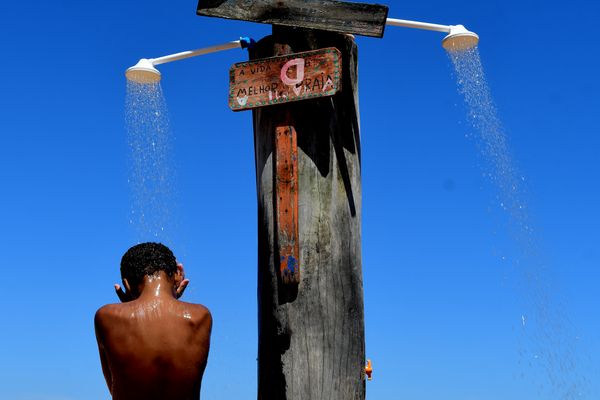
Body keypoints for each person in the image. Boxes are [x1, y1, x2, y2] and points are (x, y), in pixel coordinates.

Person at [94, 242, 212, 400]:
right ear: (177, 275)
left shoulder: (107, 316)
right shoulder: (200, 317)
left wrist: (130, 304)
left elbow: (115, 386)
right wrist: (173, 297)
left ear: (126, 284)